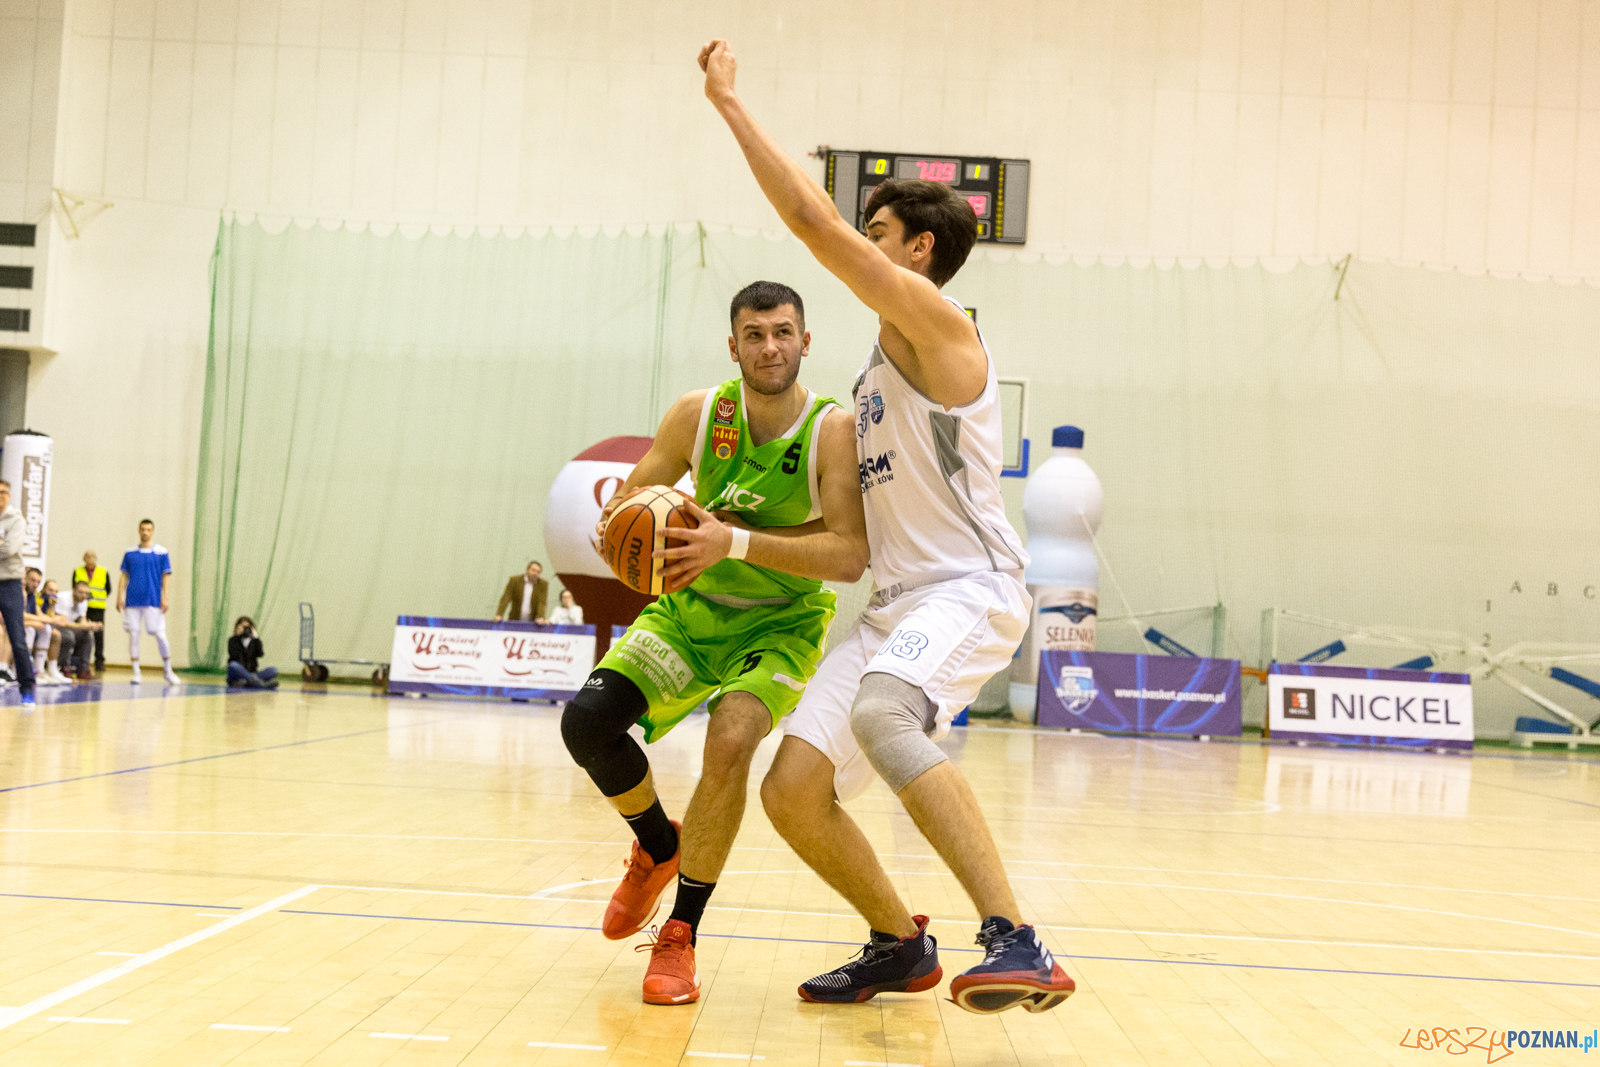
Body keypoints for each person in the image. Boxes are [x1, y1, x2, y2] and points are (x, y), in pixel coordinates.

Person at [699, 39, 1076, 1015]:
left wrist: (731, 109)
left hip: (970, 588)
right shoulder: (869, 380)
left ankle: (1018, 937)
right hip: (896, 602)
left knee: (880, 714)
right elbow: (851, 543)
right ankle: (898, 942)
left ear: (915, 251)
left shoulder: (945, 331)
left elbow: (808, 219)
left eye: (877, 231)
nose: (858, 242)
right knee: (791, 785)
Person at [561, 280, 867, 1006]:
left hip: (779, 626)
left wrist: (731, 539)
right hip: (690, 611)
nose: (770, 346)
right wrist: (634, 539)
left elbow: (850, 555)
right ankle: (658, 846)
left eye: (783, 332)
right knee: (586, 724)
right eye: (755, 335)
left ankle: (681, 935)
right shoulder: (698, 417)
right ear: (734, 346)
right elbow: (624, 514)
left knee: (729, 742)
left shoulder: (831, 430)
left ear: (806, 341)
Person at [117, 519, 180, 685]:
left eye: (148, 530)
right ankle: (136, 672)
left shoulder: (161, 552)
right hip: (132, 601)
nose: (145, 532)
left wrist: (165, 598)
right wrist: (119, 596)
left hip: (153, 600)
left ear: (152, 531)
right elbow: (124, 575)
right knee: (134, 634)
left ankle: (168, 670)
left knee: (159, 633)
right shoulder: (130, 553)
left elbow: (166, 576)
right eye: (143, 529)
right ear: (139, 531)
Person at [0, 481, 32, 705]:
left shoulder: (16, 520)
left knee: (17, 638)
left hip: (9, 584)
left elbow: (10, 548)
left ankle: (27, 688)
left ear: (8, 495)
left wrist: (4, 544)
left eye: (2, 493)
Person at [21, 568, 68, 686]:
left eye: (38, 581)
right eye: (32, 580)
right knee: (31, 629)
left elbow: (39, 615)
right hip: (16, 625)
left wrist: (54, 619)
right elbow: (20, 615)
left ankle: (41, 670)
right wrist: (50, 620)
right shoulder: (20, 592)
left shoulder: (31, 595)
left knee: (47, 629)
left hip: (25, 624)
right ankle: (21, 670)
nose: (35, 584)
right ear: (25, 579)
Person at [54, 580, 103, 680]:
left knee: (87, 635)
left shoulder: (83, 602)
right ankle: (64, 668)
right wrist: (87, 626)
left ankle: (83, 669)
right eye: (81, 592)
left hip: (70, 628)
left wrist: (92, 625)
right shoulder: (64, 598)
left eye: (86, 593)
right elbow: (64, 623)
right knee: (69, 637)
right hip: (58, 627)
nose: (84, 596)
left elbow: (83, 623)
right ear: (74, 591)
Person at [73, 550, 111, 672]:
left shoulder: (103, 571)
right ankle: (78, 661)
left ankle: (99, 662)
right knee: (80, 631)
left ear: (96, 558)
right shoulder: (78, 571)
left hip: (97, 607)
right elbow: (74, 587)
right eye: (87, 556)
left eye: (92, 556)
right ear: (83, 558)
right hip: (81, 605)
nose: (90, 559)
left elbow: (108, 589)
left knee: (98, 635)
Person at [226, 616, 278, 689]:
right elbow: (234, 655)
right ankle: (259, 683)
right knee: (233, 665)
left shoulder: (254, 641)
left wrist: (256, 638)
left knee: (273, 670)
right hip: (238, 674)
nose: (245, 630)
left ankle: (249, 682)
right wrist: (237, 636)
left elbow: (260, 654)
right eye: (243, 627)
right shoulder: (233, 640)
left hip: (253, 673)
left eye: (247, 627)